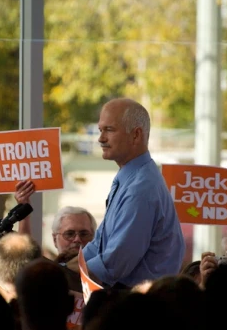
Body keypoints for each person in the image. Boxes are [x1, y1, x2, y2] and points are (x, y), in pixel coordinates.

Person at [78, 98, 185, 289]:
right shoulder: (131, 177)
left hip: (139, 307)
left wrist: (59, 275)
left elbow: (112, 265)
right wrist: (61, 268)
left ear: (136, 135)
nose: (101, 138)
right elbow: (98, 245)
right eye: (100, 130)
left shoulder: (141, 189)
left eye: (109, 130)